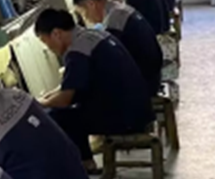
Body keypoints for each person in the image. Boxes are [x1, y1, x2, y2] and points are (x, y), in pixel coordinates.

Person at [35, 9, 153, 170]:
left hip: (125, 118)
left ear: (56, 34)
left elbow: (65, 99)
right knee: (72, 109)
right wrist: (48, 97)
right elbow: (69, 85)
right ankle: (85, 158)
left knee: (58, 116)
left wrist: (38, 104)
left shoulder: (77, 51)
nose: (48, 48)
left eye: (45, 42)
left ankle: (85, 163)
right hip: (139, 109)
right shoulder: (93, 36)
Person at [72, 0, 162, 97]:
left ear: (91, 4)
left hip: (145, 82)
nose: (85, 19)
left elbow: (112, 63)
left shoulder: (115, 21)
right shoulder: (119, 10)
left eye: (83, 13)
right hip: (152, 74)